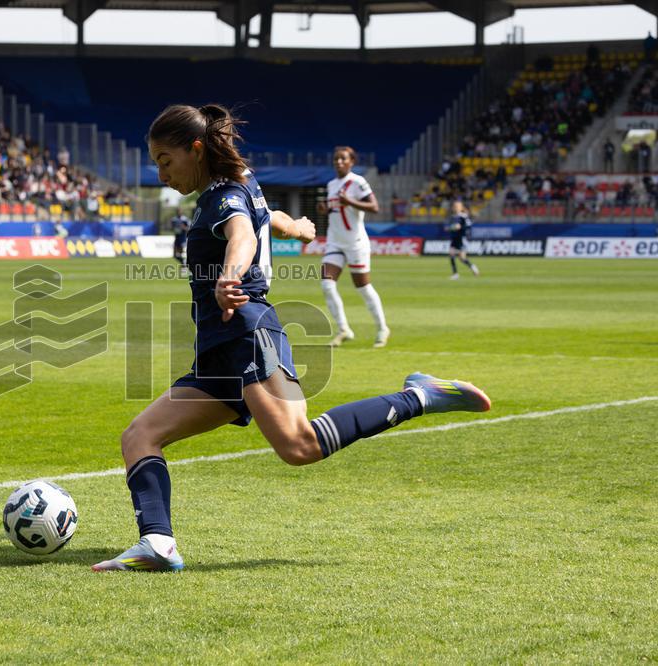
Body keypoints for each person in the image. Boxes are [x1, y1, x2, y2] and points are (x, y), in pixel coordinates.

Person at [91, 104, 492, 573]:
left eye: (164, 160)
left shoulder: (223, 197)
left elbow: (241, 233)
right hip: (219, 349)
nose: (160, 173)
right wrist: (294, 226)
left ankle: (418, 395)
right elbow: (262, 214)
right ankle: (157, 543)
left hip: (248, 333)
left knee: (299, 445)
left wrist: (230, 274)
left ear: (196, 149)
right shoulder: (238, 181)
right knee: (140, 435)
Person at [319, 146, 390, 348]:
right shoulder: (331, 184)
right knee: (326, 284)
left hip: (355, 243)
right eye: (336, 159)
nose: (339, 162)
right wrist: (324, 208)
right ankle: (344, 329)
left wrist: (349, 200)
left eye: (343, 159)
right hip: (334, 242)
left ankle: (382, 328)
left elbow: (374, 207)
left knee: (363, 287)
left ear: (352, 162)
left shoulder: (358, 182)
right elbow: (335, 210)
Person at [446, 201, 479, 280]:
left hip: (461, 239)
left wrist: (460, 227)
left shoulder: (463, 217)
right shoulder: (453, 217)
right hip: (454, 238)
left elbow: (468, 226)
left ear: (461, 207)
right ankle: (455, 274)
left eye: (457, 206)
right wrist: (450, 228)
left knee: (462, 258)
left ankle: (472, 266)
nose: (456, 208)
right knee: (451, 255)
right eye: (454, 206)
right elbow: (451, 227)